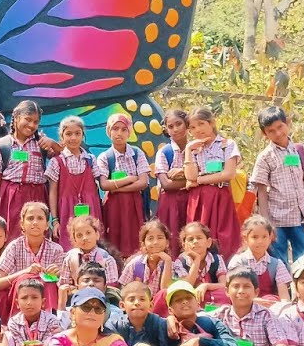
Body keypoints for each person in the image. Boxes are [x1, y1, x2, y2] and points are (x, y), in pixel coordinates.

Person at [251, 106, 304, 261]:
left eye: (280, 127)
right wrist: (266, 222)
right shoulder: (265, 157)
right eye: (271, 131)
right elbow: (261, 191)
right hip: (276, 221)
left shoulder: (301, 151)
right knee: (279, 261)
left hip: (301, 218)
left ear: (288, 123)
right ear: (264, 134)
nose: (278, 133)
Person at [0, 100, 54, 239]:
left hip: (37, 196)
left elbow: (63, 157)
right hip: (11, 197)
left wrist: (53, 144)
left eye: (35, 122)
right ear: (16, 118)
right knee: (12, 235)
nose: (31, 125)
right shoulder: (4, 144)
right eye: (27, 119)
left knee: (37, 235)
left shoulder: (41, 143)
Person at [184, 106, 242, 259]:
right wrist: (188, 150)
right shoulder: (194, 148)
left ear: (212, 123)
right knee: (198, 235)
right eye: (192, 127)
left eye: (201, 124)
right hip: (198, 199)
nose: (197, 130)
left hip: (220, 196)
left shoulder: (227, 145)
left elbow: (228, 173)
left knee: (222, 237)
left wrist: (200, 180)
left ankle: (221, 268)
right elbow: (190, 176)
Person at [96, 112, 149, 257]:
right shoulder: (105, 157)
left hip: (134, 205)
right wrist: (130, 179)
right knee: (114, 238)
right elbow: (104, 185)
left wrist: (117, 188)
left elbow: (143, 182)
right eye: (115, 128)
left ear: (129, 132)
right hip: (114, 206)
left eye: (124, 129)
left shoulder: (137, 154)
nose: (119, 133)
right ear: (108, 131)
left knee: (135, 238)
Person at [46, 116, 102, 248]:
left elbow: (100, 184)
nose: (73, 138)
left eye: (77, 133)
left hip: (91, 209)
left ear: (83, 135)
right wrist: (55, 220)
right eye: (68, 134)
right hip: (66, 211)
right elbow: (53, 192)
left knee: (92, 244)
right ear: (62, 136)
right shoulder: (57, 162)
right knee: (69, 246)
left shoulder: (91, 159)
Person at [154, 109, 192, 256]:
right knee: (171, 237)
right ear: (166, 130)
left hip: (192, 200)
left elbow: (205, 173)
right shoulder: (164, 152)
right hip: (170, 204)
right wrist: (192, 179)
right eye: (170, 126)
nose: (175, 129)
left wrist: (182, 172)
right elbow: (166, 184)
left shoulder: (196, 149)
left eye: (179, 124)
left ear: (187, 124)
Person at [230, 216, 293, 305]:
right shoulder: (238, 261)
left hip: (269, 306)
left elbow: (284, 297)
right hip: (243, 304)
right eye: (255, 237)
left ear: (270, 238)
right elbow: (234, 292)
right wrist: (255, 302)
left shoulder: (277, 264)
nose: (260, 241)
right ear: (245, 238)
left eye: (264, 237)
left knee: (271, 298)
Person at [59, 216, 119, 289]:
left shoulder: (106, 259)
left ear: (97, 235)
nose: (84, 238)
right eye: (79, 235)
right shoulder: (70, 258)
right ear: (74, 239)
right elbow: (63, 284)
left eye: (88, 233)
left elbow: (111, 287)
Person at [119, 220, 174, 294]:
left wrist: (168, 261)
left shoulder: (172, 265)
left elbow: (166, 291)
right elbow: (124, 292)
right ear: (143, 244)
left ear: (167, 243)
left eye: (160, 238)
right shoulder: (134, 264)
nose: (155, 242)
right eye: (150, 239)